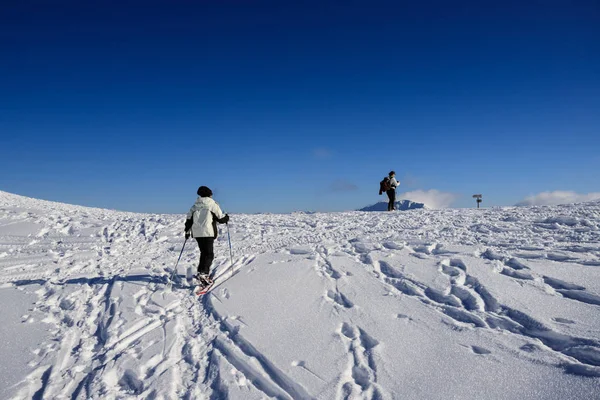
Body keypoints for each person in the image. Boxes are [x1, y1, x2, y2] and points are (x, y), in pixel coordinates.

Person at [184, 186, 229, 286]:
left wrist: (187, 232)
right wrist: (226, 218)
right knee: (209, 254)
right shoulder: (212, 204)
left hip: (197, 233)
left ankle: (201, 271)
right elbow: (220, 218)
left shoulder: (195, 206)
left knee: (203, 252)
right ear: (209, 194)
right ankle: (204, 274)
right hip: (208, 232)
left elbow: (188, 220)